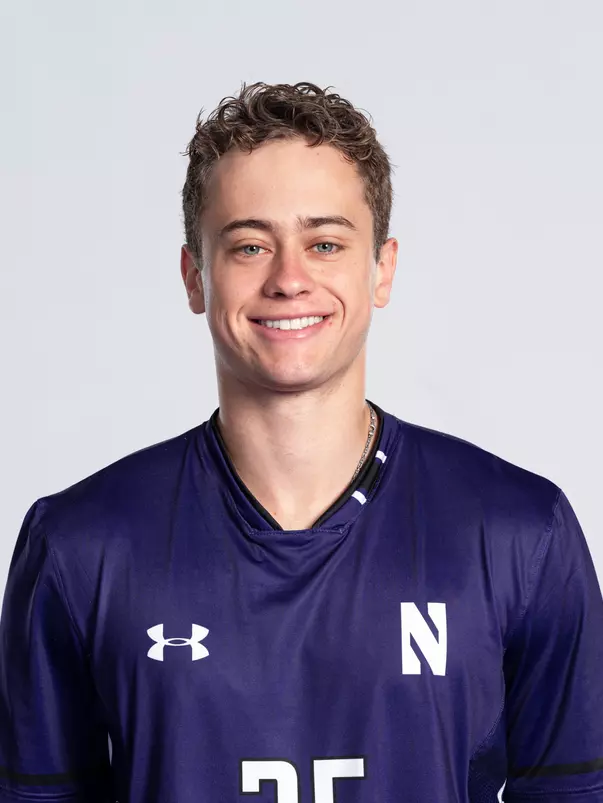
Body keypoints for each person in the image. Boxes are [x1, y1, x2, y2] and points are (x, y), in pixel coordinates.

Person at [0, 81, 602, 803]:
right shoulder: (80, 543)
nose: (289, 279)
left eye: (324, 243)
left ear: (381, 268)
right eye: (250, 246)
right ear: (195, 277)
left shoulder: (519, 531)